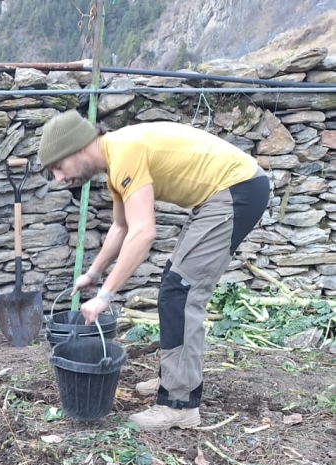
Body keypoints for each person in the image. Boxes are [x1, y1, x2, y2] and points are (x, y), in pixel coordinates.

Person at [37, 110, 271, 431]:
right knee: (175, 285)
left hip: (238, 189)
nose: (59, 178)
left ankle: (180, 404)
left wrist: (105, 296)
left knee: (181, 291)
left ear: (76, 148)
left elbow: (143, 232)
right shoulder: (115, 160)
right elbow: (121, 227)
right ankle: (174, 377)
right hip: (225, 192)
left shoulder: (125, 152)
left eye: (58, 168)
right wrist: (92, 274)